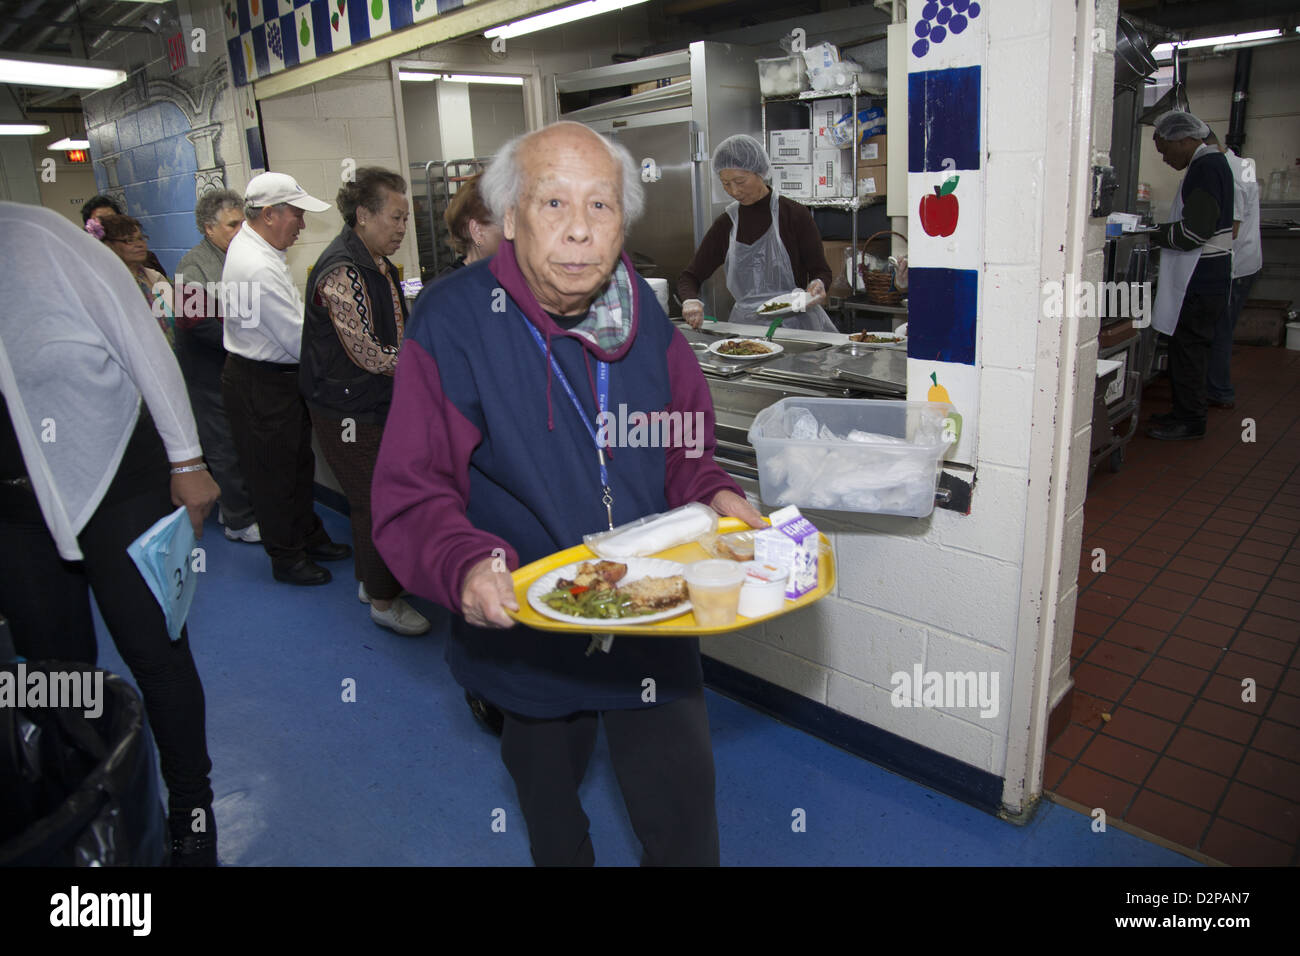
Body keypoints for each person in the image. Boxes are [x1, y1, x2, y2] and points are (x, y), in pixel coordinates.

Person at [372, 121, 765, 866]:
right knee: (553, 819)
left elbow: (685, 448)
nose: (580, 232)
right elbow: (413, 488)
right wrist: (463, 565)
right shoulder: (455, 321)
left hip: (653, 614)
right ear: (510, 217)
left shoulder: (645, 316)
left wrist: (713, 493)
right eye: (553, 204)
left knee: (684, 824)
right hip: (529, 622)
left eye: (602, 206)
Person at [0, 201, 222, 865]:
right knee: (54, 673)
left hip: (114, 475)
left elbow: (143, 342)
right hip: (15, 505)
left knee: (156, 651)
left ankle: (192, 808)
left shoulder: (43, 239)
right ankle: (90, 805)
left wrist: (188, 461)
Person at [301, 168, 430, 636]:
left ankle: (369, 580)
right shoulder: (343, 271)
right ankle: (383, 600)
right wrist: (429, 367)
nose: (402, 228)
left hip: (368, 402)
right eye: (395, 218)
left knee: (367, 498)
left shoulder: (376, 263)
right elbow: (368, 352)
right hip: (346, 411)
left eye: (405, 218)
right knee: (381, 499)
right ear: (364, 215)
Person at [221, 172, 352, 585]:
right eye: (296, 214)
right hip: (263, 381)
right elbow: (299, 342)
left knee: (296, 463)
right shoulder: (257, 266)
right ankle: (287, 557)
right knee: (274, 473)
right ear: (269, 214)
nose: (302, 224)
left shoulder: (253, 245)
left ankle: (308, 536)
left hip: (268, 376)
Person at [678, 133, 834, 332]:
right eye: (725, 183)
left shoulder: (794, 215)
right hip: (746, 330)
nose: (734, 191)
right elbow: (690, 276)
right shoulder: (726, 224)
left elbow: (821, 270)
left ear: (759, 172)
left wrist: (818, 285)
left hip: (796, 329)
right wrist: (690, 300)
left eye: (740, 181)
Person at [175, 189, 260, 544]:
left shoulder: (240, 259)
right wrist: (247, 341)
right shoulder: (191, 266)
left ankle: (235, 504)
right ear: (208, 229)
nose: (241, 230)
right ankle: (238, 522)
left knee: (241, 441)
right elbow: (195, 322)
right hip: (207, 371)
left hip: (235, 367)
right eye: (232, 224)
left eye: (243, 222)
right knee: (222, 442)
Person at [1146, 110, 1233, 441]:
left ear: (1184, 139)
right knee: (1187, 351)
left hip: (1201, 280)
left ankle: (1191, 420)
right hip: (1208, 279)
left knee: (1189, 351)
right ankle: (1183, 411)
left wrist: (1151, 232)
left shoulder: (1206, 168)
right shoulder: (1212, 165)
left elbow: (1195, 232)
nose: (1165, 159)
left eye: (1166, 150)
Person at [1202, 129, 1262, 410]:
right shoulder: (1242, 164)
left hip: (1235, 265)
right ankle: (1214, 385)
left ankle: (1218, 390)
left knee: (1220, 330)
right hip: (1245, 262)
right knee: (1221, 327)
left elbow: (1232, 230)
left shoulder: (1231, 174)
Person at [99, 214, 176, 346]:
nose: (139, 244)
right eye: (129, 240)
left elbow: (176, 319)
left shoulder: (155, 278)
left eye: (141, 238)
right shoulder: (105, 285)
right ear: (109, 245)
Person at [81, 194, 167, 275]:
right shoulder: (85, 262)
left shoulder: (145, 258)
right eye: (100, 220)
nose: (107, 225)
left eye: (113, 219)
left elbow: (165, 289)